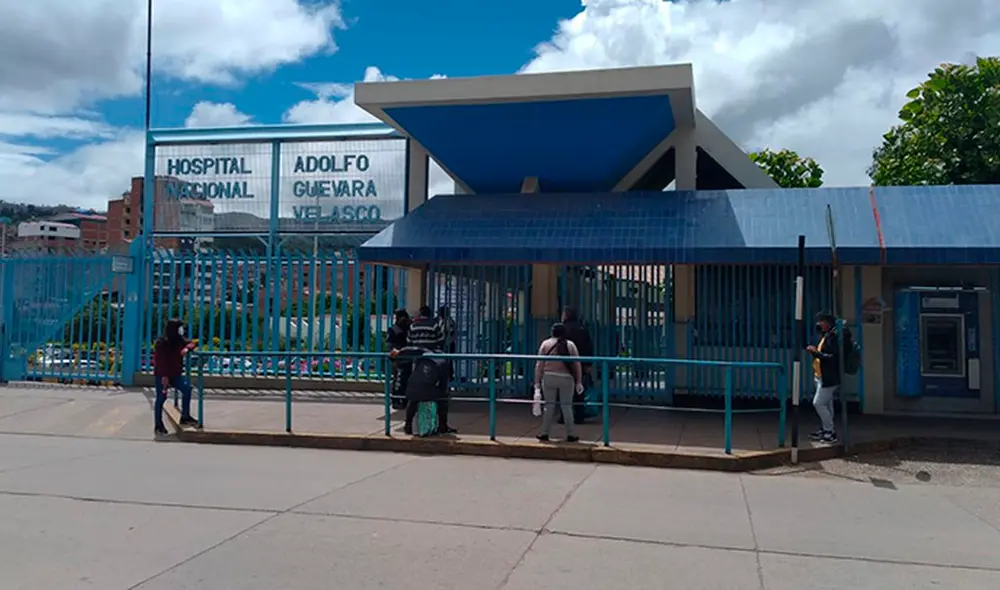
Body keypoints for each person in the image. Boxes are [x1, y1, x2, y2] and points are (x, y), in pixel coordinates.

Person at [535, 323, 583, 442]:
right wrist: (579, 381)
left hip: (549, 377)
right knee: (566, 406)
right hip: (566, 378)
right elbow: (577, 364)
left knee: (549, 406)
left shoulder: (545, 344)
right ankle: (571, 434)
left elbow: (539, 364)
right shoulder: (570, 345)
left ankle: (544, 433)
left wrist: (536, 382)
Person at [395, 346, 456, 435]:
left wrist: (399, 352)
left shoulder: (425, 353)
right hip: (427, 388)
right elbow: (444, 384)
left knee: (413, 399)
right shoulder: (445, 361)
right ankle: (443, 426)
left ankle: (408, 425)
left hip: (412, 386)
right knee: (443, 399)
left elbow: (412, 349)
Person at [153, 318, 198, 436]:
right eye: (180, 328)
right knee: (161, 398)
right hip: (163, 375)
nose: (182, 330)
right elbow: (160, 361)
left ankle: (185, 416)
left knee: (187, 389)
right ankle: (158, 425)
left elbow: (193, 343)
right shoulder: (161, 343)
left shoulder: (179, 340)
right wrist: (164, 376)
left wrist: (187, 348)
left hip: (175, 374)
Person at [807, 312, 841, 444]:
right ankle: (825, 429)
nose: (819, 324)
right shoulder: (825, 335)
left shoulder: (833, 337)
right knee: (827, 404)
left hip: (829, 377)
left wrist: (816, 353)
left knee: (818, 403)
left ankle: (830, 432)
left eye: (821, 321)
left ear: (827, 322)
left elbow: (832, 357)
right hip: (820, 375)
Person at [560, 307, 595, 424]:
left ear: (566, 315)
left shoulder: (562, 329)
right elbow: (589, 346)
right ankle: (580, 415)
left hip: (565, 363)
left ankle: (564, 416)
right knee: (579, 389)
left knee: (564, 391)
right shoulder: (582, 329)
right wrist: (588, 364)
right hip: (581, 363)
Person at [387, 309, 411, 409]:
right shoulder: (394, 329)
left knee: (403, 379)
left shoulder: (406, 328)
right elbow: (390, 345)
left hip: (404, 356)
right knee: (399, 379)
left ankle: (402, 399)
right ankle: (396, 400)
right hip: (399, 357)